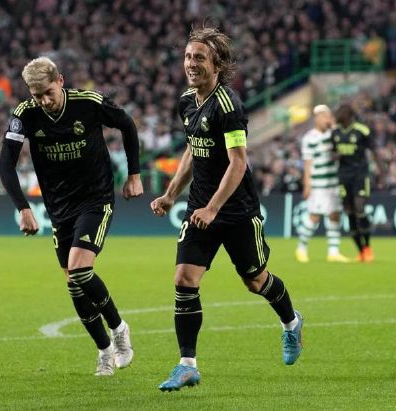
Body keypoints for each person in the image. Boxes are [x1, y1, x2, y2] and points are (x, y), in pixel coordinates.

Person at [150, 27, 303, 392]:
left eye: (199, 58)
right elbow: (193, 149)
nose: (191, 64)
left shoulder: (229, 107)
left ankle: (292, 323)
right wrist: (172, 193)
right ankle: (187, 365)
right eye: (188, 57)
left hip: (235, 211)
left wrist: (214, 207)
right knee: (184, 279)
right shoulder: (187, 101)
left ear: (217, 64)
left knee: (256, 281)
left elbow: (237, 162)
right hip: (200, 209)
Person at [0, 57, 143, 376]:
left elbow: (127, 124)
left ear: (60, 80)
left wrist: (134, 174)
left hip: (96, 199)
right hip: (59, 208)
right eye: (36, 96)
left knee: (79, 270)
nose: (44, 101)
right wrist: (23, 207)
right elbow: (5, 164)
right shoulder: (25, 114)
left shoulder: (88, 103)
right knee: (74, 285)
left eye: (48, 92)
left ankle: (119, 330)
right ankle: (104, 350)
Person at [295, 105, 351, 263]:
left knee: (335, 215)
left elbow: (339, 150)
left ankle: (333, 252)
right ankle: (301, 248)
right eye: (325, 117)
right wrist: (307, 184)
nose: (328, 119)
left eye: (329, 116)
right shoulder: (310, 138)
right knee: (314, 217)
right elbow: (307, 163)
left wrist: (334, 130)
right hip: (318, 184)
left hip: (333, 182)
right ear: (317, 118)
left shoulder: (334, 134)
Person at [331, 104, 384, 262]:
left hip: (360, 175)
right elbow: (333, 153)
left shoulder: (362, 130)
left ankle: (367, 247)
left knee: (360, 207)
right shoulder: (335, 133)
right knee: (349, 212)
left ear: (348, 115)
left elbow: (374, 151)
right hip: (343, 176)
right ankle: (360, 250)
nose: (337, 115)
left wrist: (382, 172)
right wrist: (335, 156)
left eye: (340, 113)